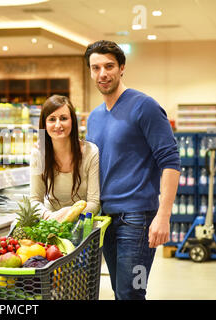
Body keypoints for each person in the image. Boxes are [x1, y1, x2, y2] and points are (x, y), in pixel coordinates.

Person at [84, 40, 180, 300]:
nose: (102, 74)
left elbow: (170, 161)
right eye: (95, 68)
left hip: (137, 219)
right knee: (120, 291)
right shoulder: (94, 117)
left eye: (109, 66)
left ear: (122, 67)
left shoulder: (144, 106)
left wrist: (164, 215)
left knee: (132, 293)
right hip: (105, 219)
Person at [30, 94, 100, 222]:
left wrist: (67, 216)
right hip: (50, 224)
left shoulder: (91, 152)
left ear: (72, 121)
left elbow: (94, 203)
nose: (58, 125)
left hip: (82, 223)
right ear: (44, 124)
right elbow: (35, 200)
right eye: (52, 119)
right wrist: (50, 217)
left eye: (63, 118)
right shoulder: (38, 154)